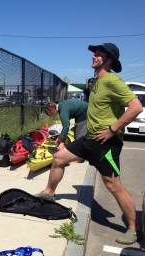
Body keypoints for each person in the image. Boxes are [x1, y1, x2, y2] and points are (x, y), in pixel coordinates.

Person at [35, 43, 144, 245]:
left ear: (109, 60)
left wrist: (112, 129)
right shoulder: (96, 82)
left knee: (113, 186)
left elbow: (136, 107)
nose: (94, 56)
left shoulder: (113, 81)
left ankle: (134, 228)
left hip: (106, 144)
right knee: (59, 157)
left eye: (99, 54)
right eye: (94, 54)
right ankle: (49, 193)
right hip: (89, 139)